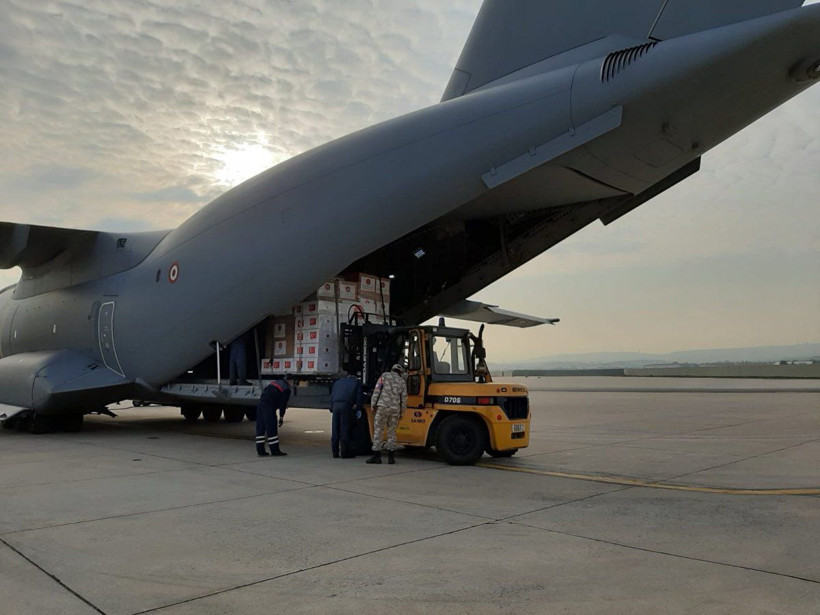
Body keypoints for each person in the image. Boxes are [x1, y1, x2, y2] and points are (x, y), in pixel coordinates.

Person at [366, 363, 407, 465]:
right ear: (400, 372)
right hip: (395, 409)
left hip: (383, 407)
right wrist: (402, 412)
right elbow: (404, 399)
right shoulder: (402, 382)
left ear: (392, 369)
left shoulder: (384, 376)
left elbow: (377, 390)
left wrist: (373, 405)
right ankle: (391, 457)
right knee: (392, 432)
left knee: (378, 430)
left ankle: (377, 456)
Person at [329, 371, 363, 458]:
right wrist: (358, 408)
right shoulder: (356, 382)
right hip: (346, 406)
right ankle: (344, 453)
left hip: (336, 405)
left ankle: (335, 453)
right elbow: (359, 396)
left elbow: (332, 395)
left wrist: (332, 407)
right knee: (344, 428)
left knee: (335, 429)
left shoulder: (338, 382)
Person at [256, 378, 290, 456]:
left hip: (261, 404)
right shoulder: (286, 388)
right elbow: (283, 404)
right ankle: (275, 451)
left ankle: (260, 451)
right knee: (271, 428)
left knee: (260, 428)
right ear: (290, 381)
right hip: (269, 407)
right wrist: (281, 416)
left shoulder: (274, 382)